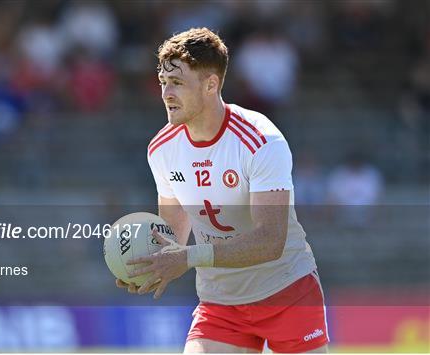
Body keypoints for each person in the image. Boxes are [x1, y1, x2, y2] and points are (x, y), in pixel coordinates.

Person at [116, 28, 328, 353]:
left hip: (286, 292)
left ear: (211, 84)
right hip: (221, 303)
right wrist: (147, 266)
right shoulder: (161, 149)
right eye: (163, 82)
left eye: (177, 83)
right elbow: (171, 232)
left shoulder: (261, 141)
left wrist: (188, 257)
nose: (166, 93)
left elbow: (271, 240)